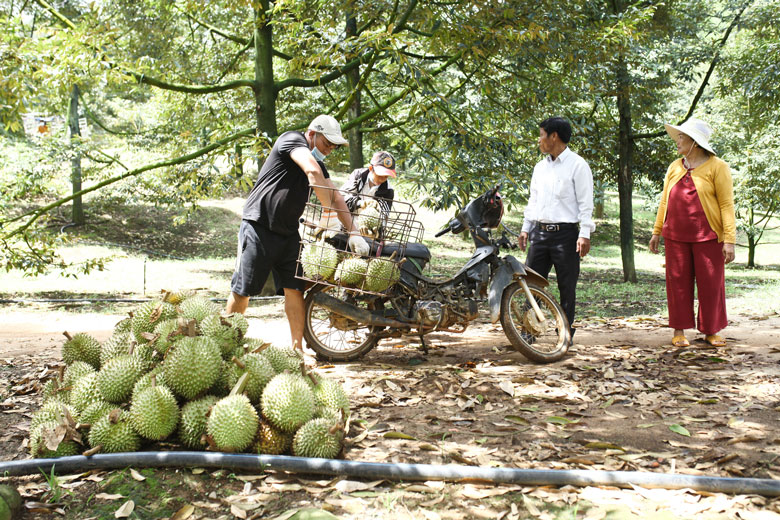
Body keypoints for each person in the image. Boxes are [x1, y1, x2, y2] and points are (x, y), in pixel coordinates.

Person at [226, 114, 370, 349]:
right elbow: (312, 173)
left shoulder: (318, 164)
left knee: (295, 289)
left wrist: (354, 232)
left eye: (334, 147)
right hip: (259, 226)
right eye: (326, 144)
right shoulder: (291, 140)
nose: (329, 150)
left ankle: (297, 350)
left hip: (289, 233)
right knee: (244, 289)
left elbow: (335, 196)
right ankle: (227, 343)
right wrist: (329, 215)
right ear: (312, 134)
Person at [649, 118, 736, 348]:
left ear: (695, 142)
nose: (677, 141)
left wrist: (729, 240)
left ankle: (711, 330)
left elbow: (727, 205)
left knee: (710, 284)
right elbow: (664, 201)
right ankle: (679, 330)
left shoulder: (718, 167)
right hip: (675, 236)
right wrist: (657, 231)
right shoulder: (675, 167)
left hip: (708, 236)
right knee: (677, 283)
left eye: (682, 137)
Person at [518, 116, 595, 340]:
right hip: (539, 234)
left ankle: (565, 331)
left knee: (566, 286)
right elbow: (534, 200)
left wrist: (584, 234)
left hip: (566, 235)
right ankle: (528, 331)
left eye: (542, 135)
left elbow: (585, 203)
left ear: (554, 136)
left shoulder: (578, 165)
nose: (539, 140)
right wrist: (526, 228)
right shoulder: (540, 168)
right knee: (531, 284)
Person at [315, 151, 397, 237]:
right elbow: (341, 198)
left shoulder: (388, 191)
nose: (383, 177)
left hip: (366, 230)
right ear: (370, 168)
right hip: (344, 222)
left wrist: (376, 232)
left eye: (387, 175)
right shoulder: (358, 175)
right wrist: (360, 203)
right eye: (381, 174)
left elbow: (383, 217)